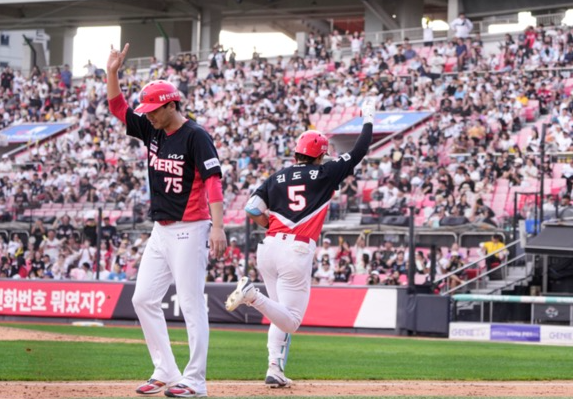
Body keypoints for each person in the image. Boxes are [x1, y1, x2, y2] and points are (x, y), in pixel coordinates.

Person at [225, 98, 376, 387]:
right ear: (320, 155)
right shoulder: (326, 171)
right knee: (291, 320)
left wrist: (271, 225)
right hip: (296, 247)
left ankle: (274, 368)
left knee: (278, 314)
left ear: (297, 153)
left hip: (268, 247)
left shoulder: (276, 176)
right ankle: (250, 295)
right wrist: (368, 118)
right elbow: (360, 150)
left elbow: (252, 209)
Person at [106, 43, 227, 398]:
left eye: (155, 110)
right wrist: (112, 73)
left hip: (191, 228)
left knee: (191, 303)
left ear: (172, 104)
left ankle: (196, 380)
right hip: (162, 229)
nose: (150, 116)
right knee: (143, 298)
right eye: (148, 111)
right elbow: (118, 107)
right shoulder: (152, 129)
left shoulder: (196, 135)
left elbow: (214, 181)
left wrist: (218, 227)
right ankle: (167, 370)